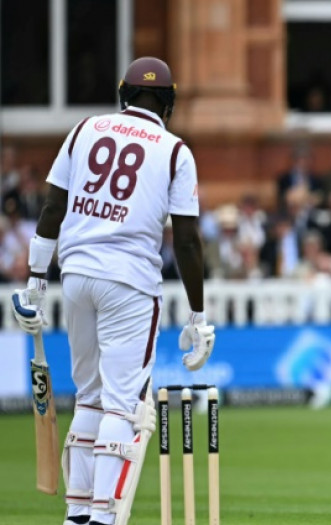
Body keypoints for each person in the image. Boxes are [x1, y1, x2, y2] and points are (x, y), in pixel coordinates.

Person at [10, 57, 215, 525]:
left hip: (76, 276)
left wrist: (36, 283)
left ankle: (78, 514)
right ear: (169, 103)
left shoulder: (85, 129)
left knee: (89, 398)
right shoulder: (174, 150)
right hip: (129, 284)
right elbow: (185, 239)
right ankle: (103, 517)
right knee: (122, 407)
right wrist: (199, 316)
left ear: (124, 93)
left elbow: (52, 209)